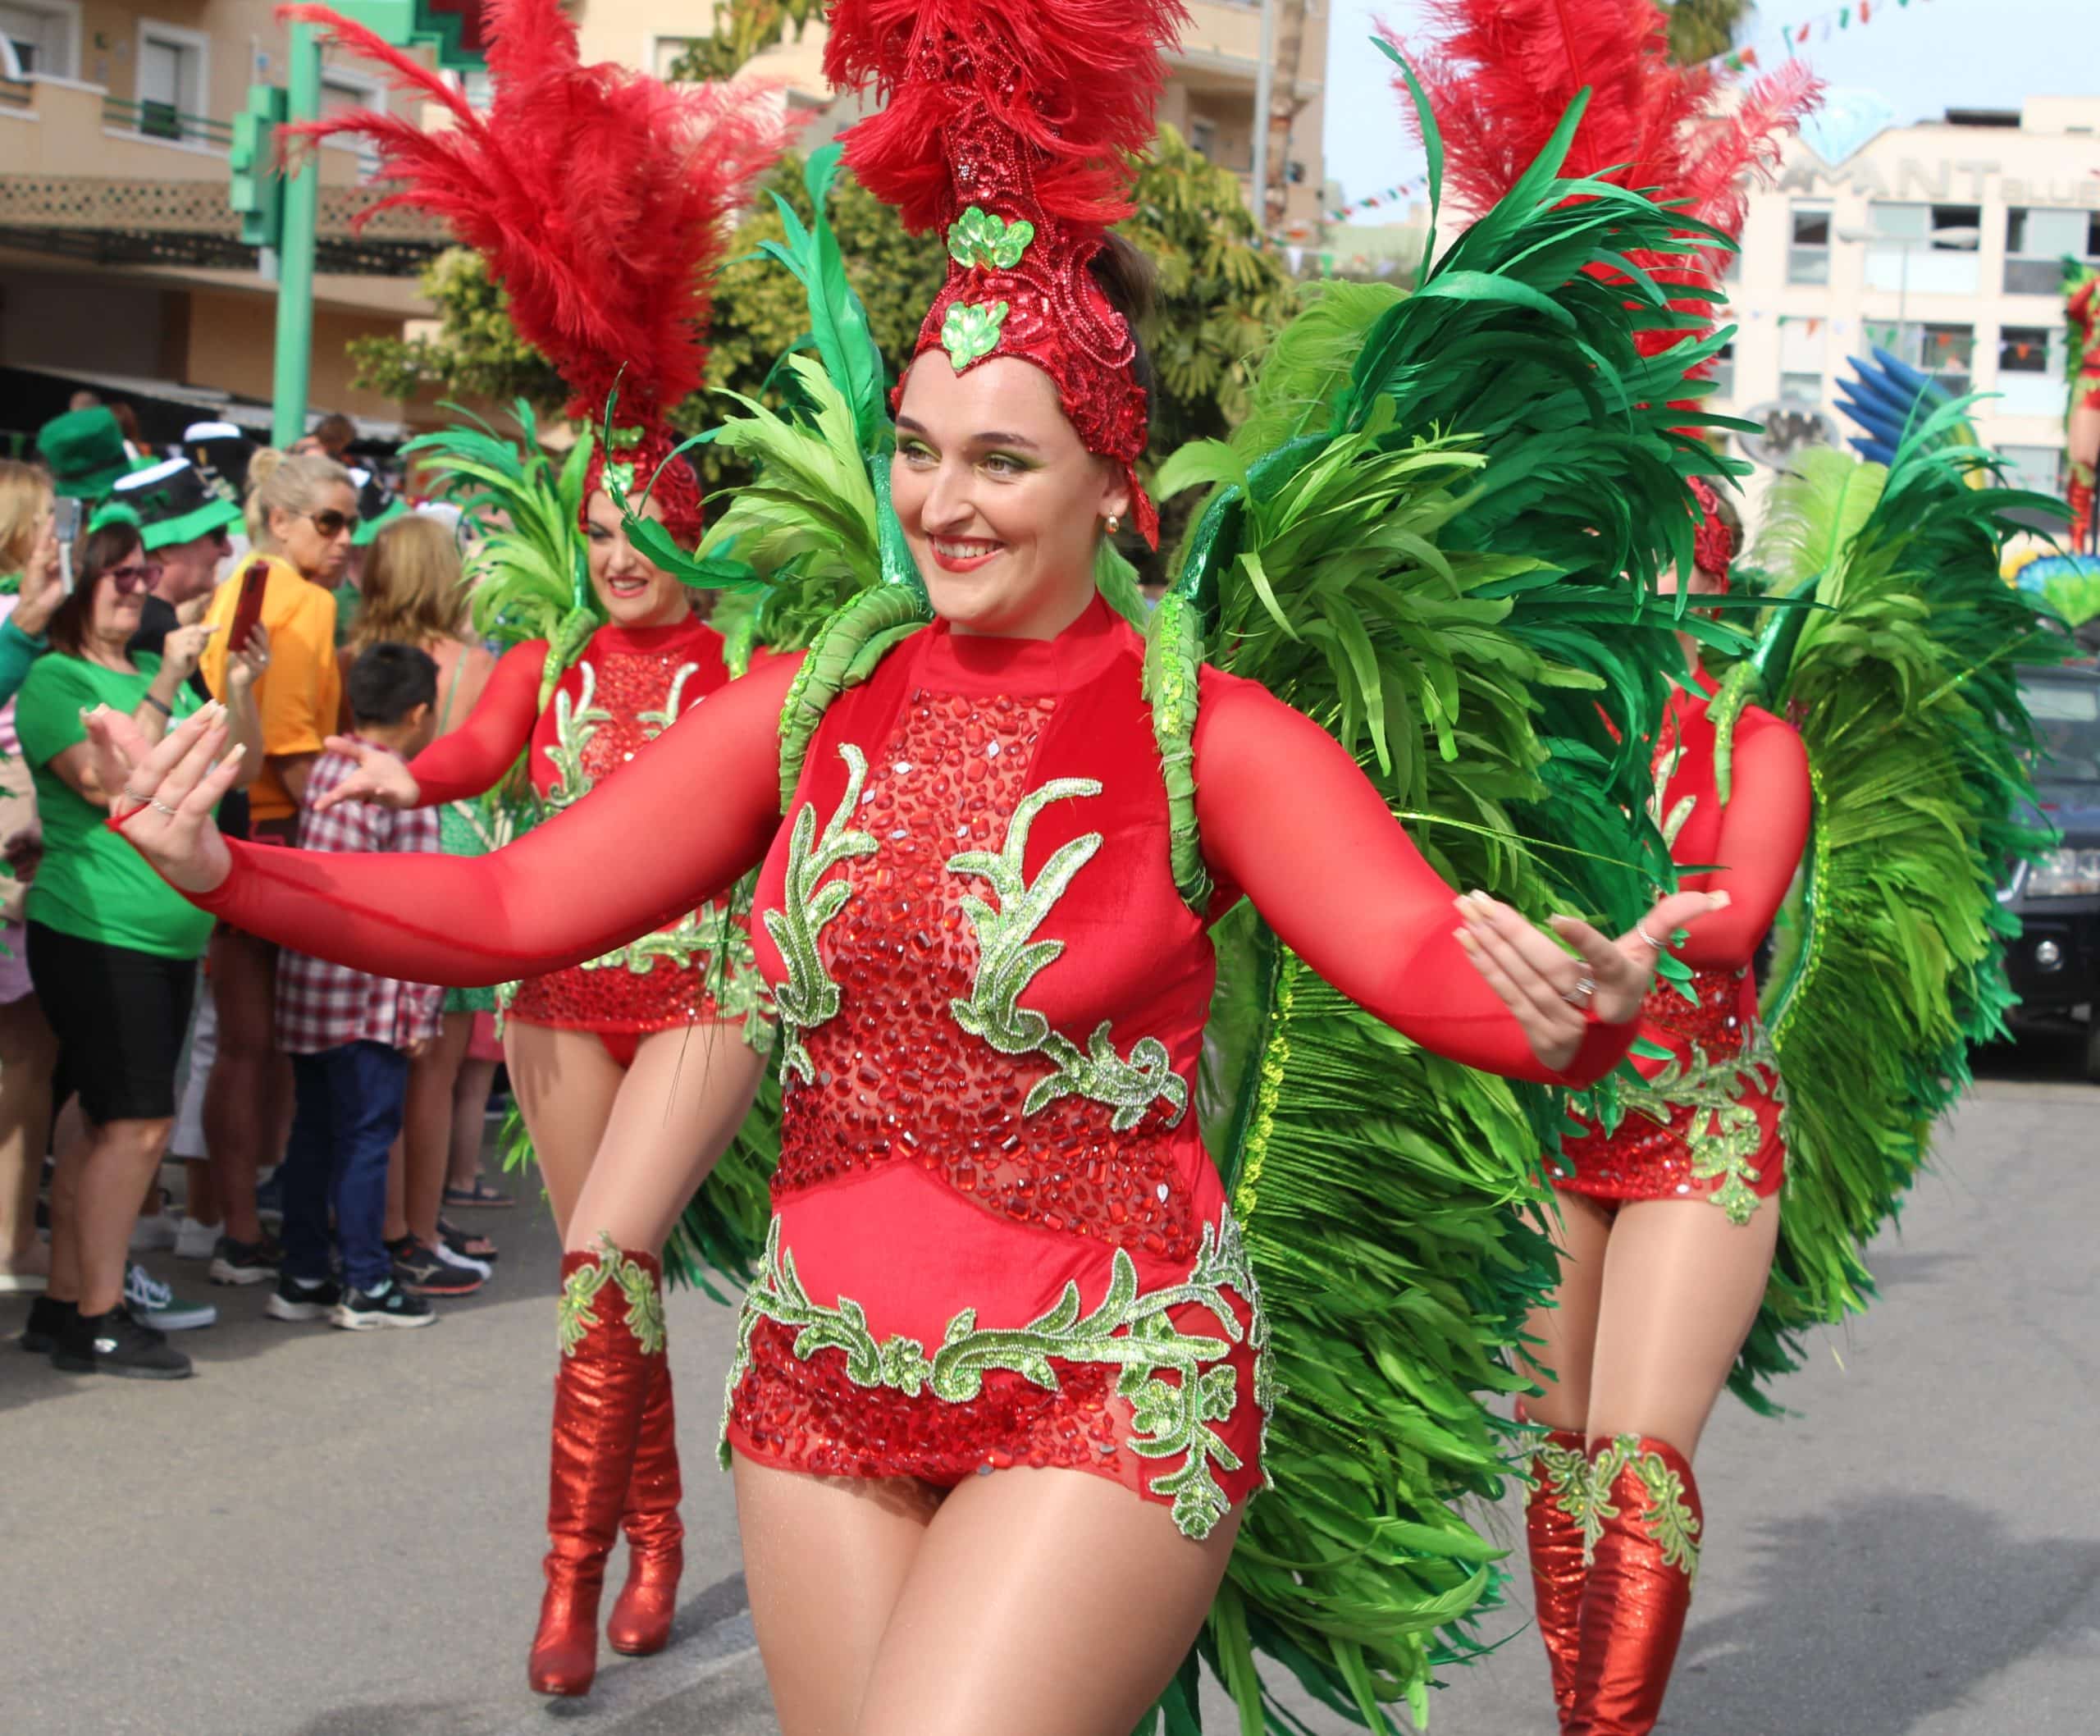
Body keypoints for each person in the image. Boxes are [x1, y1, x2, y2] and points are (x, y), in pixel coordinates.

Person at [96, 0, 1730, 1722]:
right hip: (819, 1375)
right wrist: (227, 876)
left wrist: (1572, 1018)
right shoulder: (817, 700)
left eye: (1003, 460)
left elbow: (1408, 951)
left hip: (1105, 1380)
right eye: (919, 447)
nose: (944, 502)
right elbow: (517, 899)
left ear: (1116, 485)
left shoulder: (1208, 733)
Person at [290, 0, 789, 1691]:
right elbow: (473, 756)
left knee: (610, 1253)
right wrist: (392, 780)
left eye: (650, 524)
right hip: (564, 994)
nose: (624, 549)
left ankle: (585, 1572)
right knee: (600, 1283)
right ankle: (628, 1543)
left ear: (696, 528)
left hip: (703, 996)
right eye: (601, 525)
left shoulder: (751, 671)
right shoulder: (548, 657)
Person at [15, 519, 265, 1377]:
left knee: (99, 1119)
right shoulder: (57, 677)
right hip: (99, 930)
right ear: (79, 581)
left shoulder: (166, 678)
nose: (136, 587)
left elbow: (238, 770)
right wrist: (164, 679)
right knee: (138, 1123)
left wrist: (237, 686)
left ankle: (66, 1303)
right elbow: (110, 782)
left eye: (142, 574)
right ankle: (101, 1315)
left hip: (163, 936)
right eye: (118, 574)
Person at [190, 449, 354, 1287]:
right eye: (330, 522)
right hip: (279, 829)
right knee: (267, 1047)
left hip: (228, 826)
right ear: (282, 520)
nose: (344, 538)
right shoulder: (303, 601)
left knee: (243, 1045)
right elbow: (291, 751)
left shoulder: (242, 584)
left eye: (351, 524)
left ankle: (229, 1219)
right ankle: (249, 1223)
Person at [342, 512, 499, 1295]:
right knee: (436, 1069)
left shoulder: (352, 659)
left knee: (377, 1063)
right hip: (451, 858)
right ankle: (419, 1231)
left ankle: (381, 1224)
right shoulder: (470, 665)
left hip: (364, 863)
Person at [267, 642, 445, 1332]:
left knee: (312, 1132)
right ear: (419, 713)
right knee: (368, 1138)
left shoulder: (326, 768)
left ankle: (304, 1271)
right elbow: (418, 907)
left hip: (310, 987)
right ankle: (366, 1280)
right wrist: (421, 1010)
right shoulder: (399, 785)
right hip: (372, 998)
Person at [109, 460, 250, 1250]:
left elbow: (234, 760)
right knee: (123, 1106)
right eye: (213, 535)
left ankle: (131, 1234)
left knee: (139, 1098)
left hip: (168, 905)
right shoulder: (150, 636)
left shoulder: (168, 630)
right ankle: (113, 1256)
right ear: (165, 549)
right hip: (133, 905)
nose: (227, 549)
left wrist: (242, 685)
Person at [0, 460, 68, 1292]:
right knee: (25, 1059)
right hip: (18, 862)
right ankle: (12, 1239)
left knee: (27, 1059)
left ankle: (15, 1238)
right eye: (51, 517)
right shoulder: (24, 622)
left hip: (22, 861)